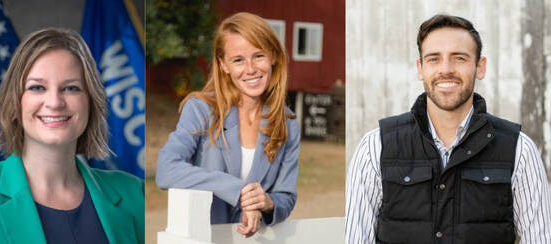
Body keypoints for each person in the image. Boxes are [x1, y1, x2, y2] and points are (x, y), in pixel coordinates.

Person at [345, 14, 551, 243]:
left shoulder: (519, 151)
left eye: (459, 58)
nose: (446, 69)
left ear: (479, 67)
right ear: (420, 68)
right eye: (434, 59)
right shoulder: (375, 148)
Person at [0, 28, 144, 244]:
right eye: (37, 87)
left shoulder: (135, 192)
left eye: (71, 88)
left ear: (91, 100)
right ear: (16, 101)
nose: (54, 102)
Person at [156, 12, 300, 238]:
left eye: (259, 56)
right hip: (202, 239)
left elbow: (286, 197)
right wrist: (239, 190)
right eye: (238, 60)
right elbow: (166, 170)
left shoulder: (288, 122)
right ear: (223, 65)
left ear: (273, 56)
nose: (251, 69)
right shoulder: (201, 109)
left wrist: (265, 202)